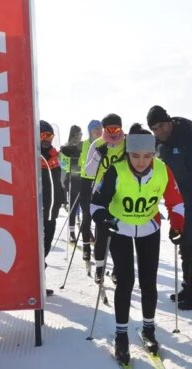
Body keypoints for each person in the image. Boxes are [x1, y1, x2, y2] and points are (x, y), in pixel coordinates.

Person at [90, 133, 185, 364]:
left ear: (153, 154)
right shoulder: (116, 170)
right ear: (128, 153)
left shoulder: (162, 170)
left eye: (147, 156)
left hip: (149, 227)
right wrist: (105, 220)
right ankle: (121, 335)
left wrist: (178, 225)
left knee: (148, 281)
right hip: (121, 227)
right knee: (125, 281)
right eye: (135, 156)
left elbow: (176, 201)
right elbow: (95, 203)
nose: (141, 161)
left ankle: (148, 330)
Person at [147, 105, 192, 311]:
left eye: (162, 125)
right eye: (155, 128)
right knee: (185, 246)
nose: (160, 131)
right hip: (178, 204)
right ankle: (187, 286)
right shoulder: (159, 145)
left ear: (170, 121)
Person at [85, 114, 126, 284]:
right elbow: (88, 172)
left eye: (117, 129)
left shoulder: (127, 142)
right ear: (103, 129)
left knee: (121, 233)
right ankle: (99, 269)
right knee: (102, 233)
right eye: (109, 129)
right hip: (102, 195)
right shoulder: (97, 144)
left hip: (122, 194)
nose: (113, 133)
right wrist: (97, 157)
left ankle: (117, 269)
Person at [39, 120, 64, 296]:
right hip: (37, 210)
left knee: (45, 246)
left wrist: (62, 197)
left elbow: (56, 181)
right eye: (43, 135)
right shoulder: (32, 154)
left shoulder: (53, 155)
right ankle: (36, 282)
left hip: (51, 210)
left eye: (50, 135)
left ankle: (39, 275)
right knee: (36, 248)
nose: (47, 139)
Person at [78, 120, 104, 263]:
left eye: (100, 128)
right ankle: (86, 248)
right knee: (87, 215)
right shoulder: (84, 144)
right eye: (95, 129)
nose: (98, 131)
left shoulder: (104, 143)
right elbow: (83, 162)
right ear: (89, 131)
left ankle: (98, 249)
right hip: (86, 181)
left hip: (99, 181)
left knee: (99, 215)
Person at [60, 125, 83, 243]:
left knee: (85, 207)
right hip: (72, 179)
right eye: (79, 134)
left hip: (82, 178)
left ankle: (85, 231)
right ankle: (72, 232)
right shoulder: (65, 147)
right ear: (74, 134)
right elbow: (63, 165)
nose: (81, 136)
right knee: (73, 207)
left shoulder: (83, 146)